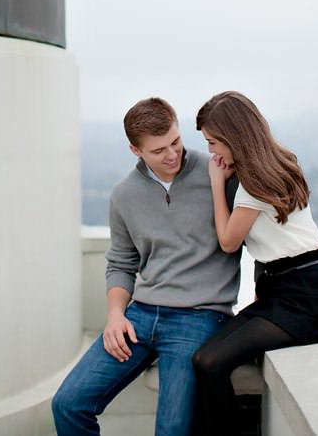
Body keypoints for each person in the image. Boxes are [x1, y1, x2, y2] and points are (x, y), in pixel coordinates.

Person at [52, 97, 241, 436]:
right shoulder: (124, 195)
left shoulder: (218, 172)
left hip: (199, 316)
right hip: (140, 315)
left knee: (172, 429)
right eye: (158, 151)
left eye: (176, 142)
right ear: (135, 150)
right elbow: (121, 262)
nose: (172, 155)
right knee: (68, 403)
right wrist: (115, 315)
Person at [192, 90, 318, 435]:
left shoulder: (252, 184)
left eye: (214, 142)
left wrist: (218, 184)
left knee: (209, 361)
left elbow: (230, 242)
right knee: (206, 358)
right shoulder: (280, 161)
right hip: (288, 289)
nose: (212, 151)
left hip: (305, 297)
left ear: (235, 138)